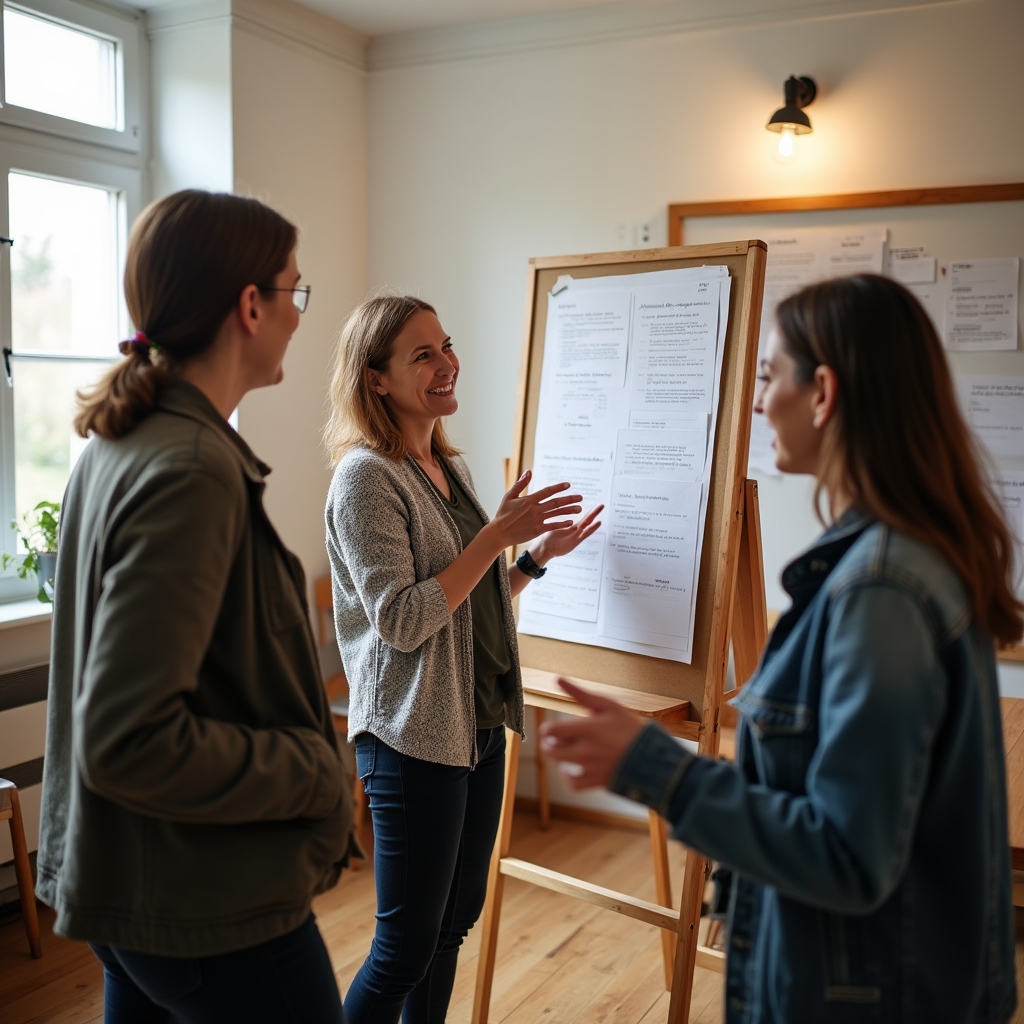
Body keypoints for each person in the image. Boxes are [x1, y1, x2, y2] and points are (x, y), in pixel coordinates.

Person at [539, 274, 1019, 1023]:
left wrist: (654, 767)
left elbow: (848, 855)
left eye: (769, 375)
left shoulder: (881, 592)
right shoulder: (893, 562)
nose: (758, 402)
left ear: (823, 392)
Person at [36, 189, 357, 1024]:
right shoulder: (187, 468)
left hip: (134, 882)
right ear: (250, 306)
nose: (298, 313)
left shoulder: (124, 444)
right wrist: (316, 770)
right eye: (295, 290)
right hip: (204, 905)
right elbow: (129, 738)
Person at [323, 295, 602, 1023]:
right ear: (376, 378)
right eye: (423, 354)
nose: (448, 363)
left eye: (446, 346)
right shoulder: (365, 479)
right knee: (403, 949)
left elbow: (468, 608)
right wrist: (493, 537)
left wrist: (533, 560)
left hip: (474, 727)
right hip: (410, 737)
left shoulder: (447, 466)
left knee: (450, 929)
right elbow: (404, 621)